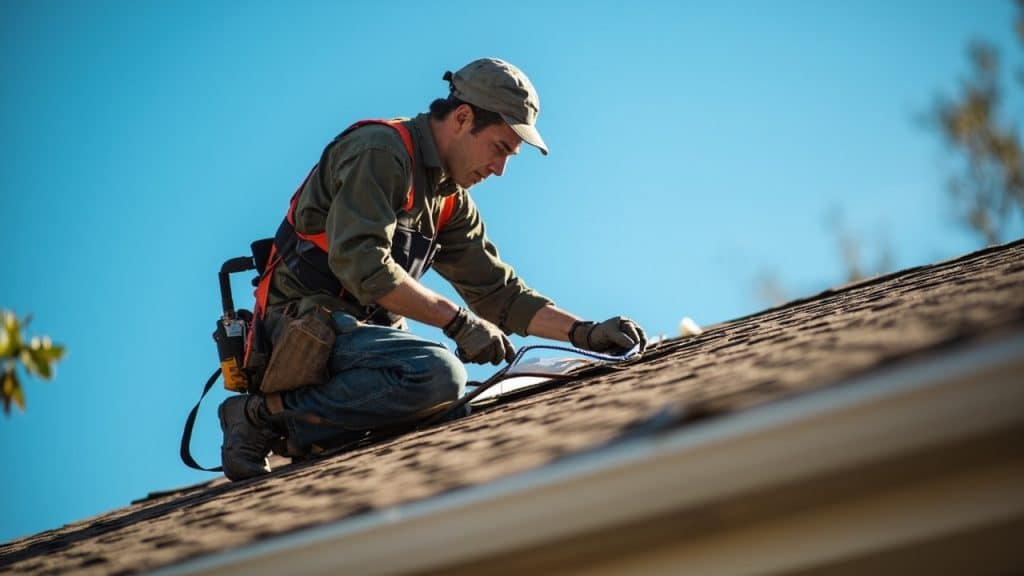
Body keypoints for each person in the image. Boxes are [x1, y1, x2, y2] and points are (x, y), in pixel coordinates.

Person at [218, 58, 647, 481]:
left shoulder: (449, 201)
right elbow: (365, 268)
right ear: (462, 118)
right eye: (500, 148)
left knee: (449, 404)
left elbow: (500, 294)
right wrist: (459, 323)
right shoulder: (380, 152)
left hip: (355, 344)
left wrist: (584, 333)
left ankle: (318, 432)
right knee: (437, 375)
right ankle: (259, 417)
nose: (500, 169)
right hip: (299, 332)